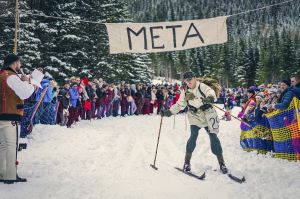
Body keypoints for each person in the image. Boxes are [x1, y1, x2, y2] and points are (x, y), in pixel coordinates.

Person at [160, 71, 228, 174]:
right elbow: (179, 105)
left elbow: (211, 93)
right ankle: (186, 162)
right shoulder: (185, 91)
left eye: (190, 79)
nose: (188, 82)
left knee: (213, 137)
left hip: (208, 115)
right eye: (186, 80)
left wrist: (209, 98)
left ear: (195, 78)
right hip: (194, 116)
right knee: (193, 136)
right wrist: (168, 112)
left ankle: (222, 163)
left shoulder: (202, 86)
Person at [0, 54, 36, 184]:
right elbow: (25, 93)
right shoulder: (12, 77)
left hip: (2, 115)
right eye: (19, 63)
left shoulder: (2, 75)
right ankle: (10, 175)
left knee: (3, 146)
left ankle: (2, 172)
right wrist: (27, 82)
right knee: (11, 146)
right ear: (15, 63)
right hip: (11, 115)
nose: (20, 65)